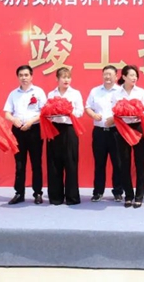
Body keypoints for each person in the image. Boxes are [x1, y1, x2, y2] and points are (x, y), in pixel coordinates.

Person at [3, 65, 47, 205]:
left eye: (26, 75)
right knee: (19, 163)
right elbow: (7, 113)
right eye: (21, 75)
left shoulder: (39, 92)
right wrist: (13, 120)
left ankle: (38, 193)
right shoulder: (13, 94)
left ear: (31, 76)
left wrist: (31, 121)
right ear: (18, 77)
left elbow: (44, 112)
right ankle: (19, 193)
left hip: (34, 129)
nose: (24, 78)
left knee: (36, 163)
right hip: (18, 131)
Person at [111, 65, 144, 208]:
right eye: (131, 75)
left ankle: (139, 196)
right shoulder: (116, 93)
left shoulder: (141, 92)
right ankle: (128, 195)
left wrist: (135, 112)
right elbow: (114, 111)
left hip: (138, 127)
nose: (134, 78)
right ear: (124, 77)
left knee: (140, 162)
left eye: (136, 76)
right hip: (122, 128)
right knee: (124, 163)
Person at [85, 65, 124, 202]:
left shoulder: (121, 91)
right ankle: (98, 192)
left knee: (118, 163)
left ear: (116, 76)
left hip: (116, 132)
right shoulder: (95, 91)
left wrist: (115, 118)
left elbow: (125, 109)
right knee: (99, 163)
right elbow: (88, 107)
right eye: (105, 74)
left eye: (110, 74)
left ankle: (118, 191)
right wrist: (93, 115)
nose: (107, 77)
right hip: (99, 132)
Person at [46, 67, 84, 206]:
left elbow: (80, 111)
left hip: (69, 129)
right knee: (54, 162)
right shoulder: (51, 94)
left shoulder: (75, 93)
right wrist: (52, 113)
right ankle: (56, 197)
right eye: (63, 77)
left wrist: (69, 112)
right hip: (54, 129)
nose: (66, 80)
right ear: (57, 79)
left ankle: (72, 197)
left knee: (71, 162)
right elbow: (47, 112)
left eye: (68, 77)